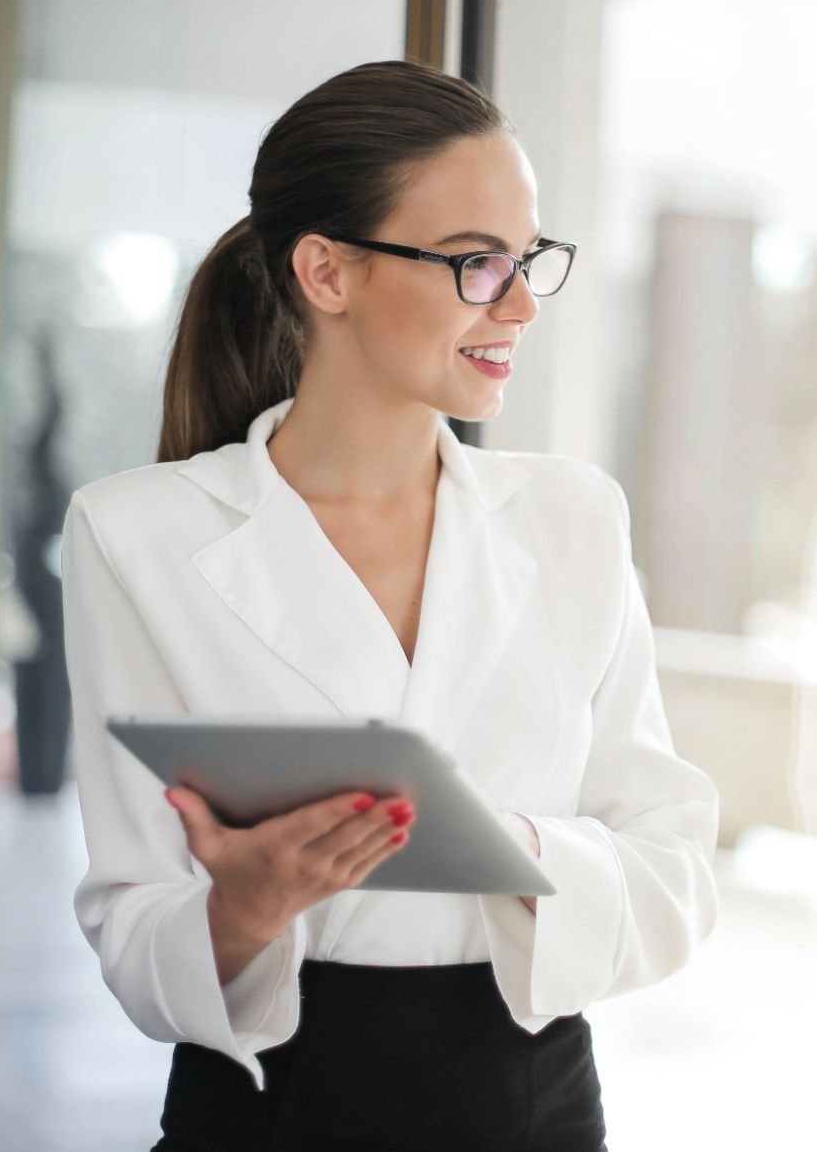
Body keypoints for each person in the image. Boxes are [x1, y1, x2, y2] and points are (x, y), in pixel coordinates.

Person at [60, 60, 719, 1152]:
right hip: (271, 1109)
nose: (516, 304)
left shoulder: (572, 519)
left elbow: (672, 871)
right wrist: (244, 909)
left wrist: (495, 845)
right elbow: (131, 924)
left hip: (529, 1105)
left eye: (526, 260)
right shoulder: (136, 535)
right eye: (474, 263)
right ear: (325, 271)